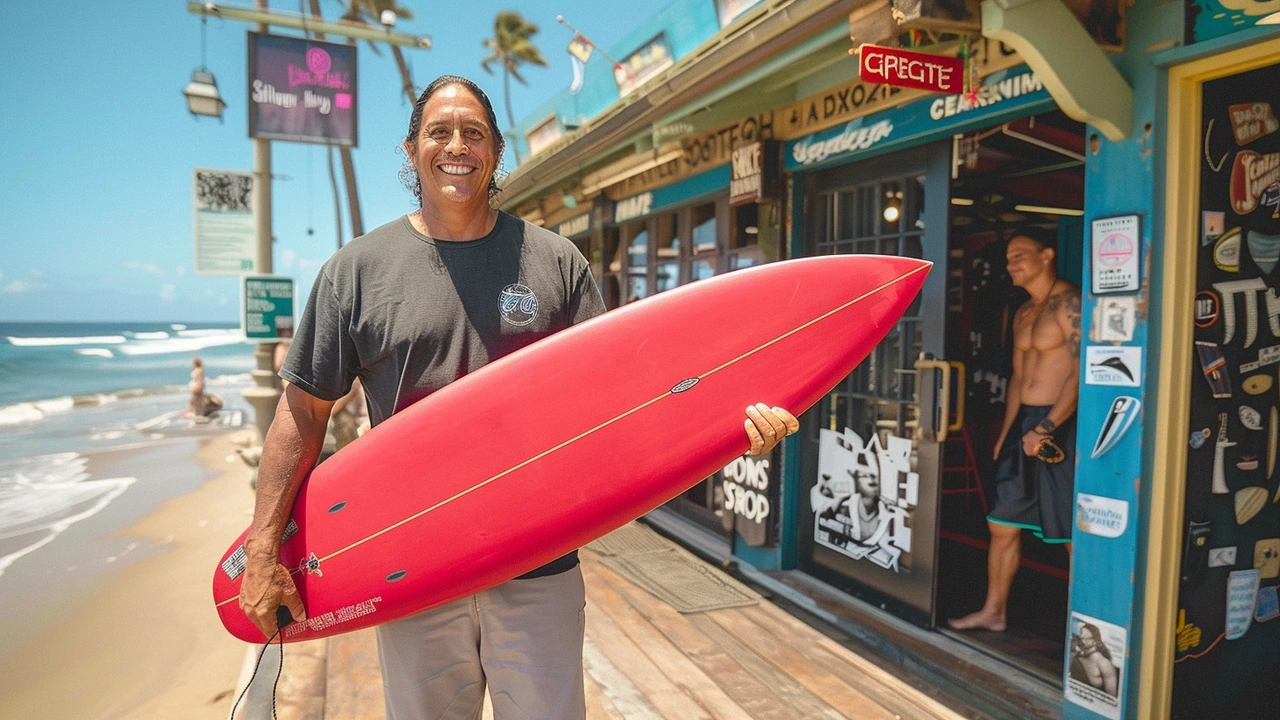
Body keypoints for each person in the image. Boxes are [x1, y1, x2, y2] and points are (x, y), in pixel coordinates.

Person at [236, 75, 799, 720]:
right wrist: (263, 548)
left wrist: (729, 425)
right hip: (415, 568)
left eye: (473, 133)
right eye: (439, 132)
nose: (456, 146)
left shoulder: (554, 263)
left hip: (539, 564)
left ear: (497, 151)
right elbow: (302, 414)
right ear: (411, 148)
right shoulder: (358, 270)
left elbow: (620, 405)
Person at [949, 229, 1080, 632]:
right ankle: (994, 611)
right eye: (1008, 259)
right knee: (1001, 524)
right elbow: (1017, 379)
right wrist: (1007, 434)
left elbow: (1082, 373)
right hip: (1025, 423)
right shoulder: (1023, 311)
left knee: (1074, 533)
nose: (1011, 265)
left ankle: (1084, 627)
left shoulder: (1071, 303)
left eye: (1019, 255)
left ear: (1047, 255)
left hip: (1061, 422)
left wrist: (1046, 426)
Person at [1070, 621, 1118, 696]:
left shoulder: (1104, 663)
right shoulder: (1076, 657)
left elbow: (1111, 698)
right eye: (1081, 638)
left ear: (1095, 640)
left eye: (1086, 639)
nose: (1082, 642)